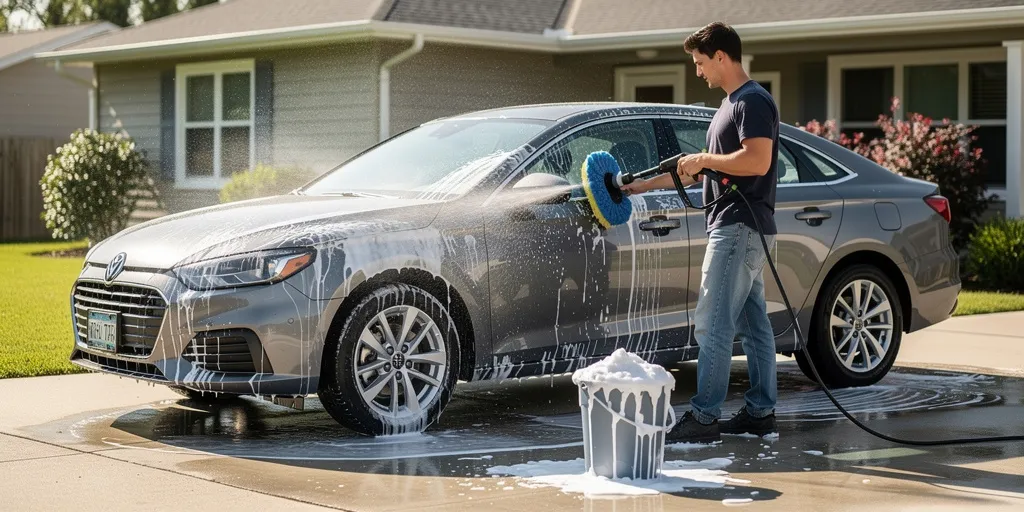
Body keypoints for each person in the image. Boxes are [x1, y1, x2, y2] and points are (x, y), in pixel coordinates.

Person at [621, 21, 780, 443]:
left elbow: (758, 160)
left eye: (700, 62)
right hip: (744, 228)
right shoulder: (730, 106)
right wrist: (641, 186)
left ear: (722, 57)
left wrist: (706, 157)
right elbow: (699, 174)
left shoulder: (751, 102)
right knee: (754, 323)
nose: (697, 71)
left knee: (712, 323)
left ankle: (704, 417)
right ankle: (761, 412)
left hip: (737, 227)